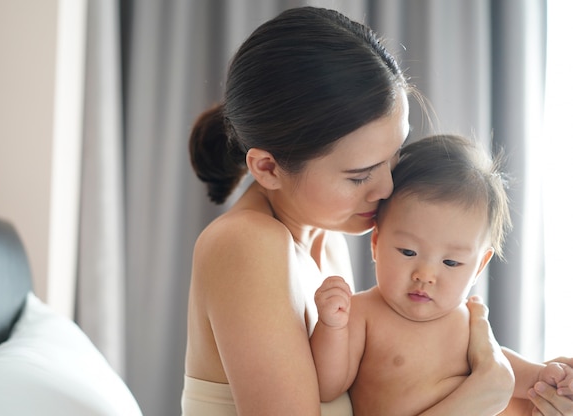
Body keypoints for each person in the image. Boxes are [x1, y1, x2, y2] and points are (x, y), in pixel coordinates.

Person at [183, 6, 573, 416]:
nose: (388, 187)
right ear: (268, 167)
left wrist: (530, 396)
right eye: (359, 175)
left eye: (393, 158)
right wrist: (482, 394)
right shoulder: (247, 244)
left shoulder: (326, 241)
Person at [310, 134, 573, 415]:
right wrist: (332, 327)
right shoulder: (363, 313)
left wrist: (540, 377)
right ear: (376, 243)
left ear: (479, 267)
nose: (425, 275)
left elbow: (498, 365)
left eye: (450, 262)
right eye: (408, 252)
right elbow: (328, 386)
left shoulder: (467, 319)